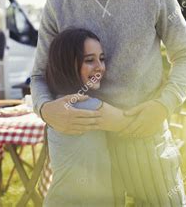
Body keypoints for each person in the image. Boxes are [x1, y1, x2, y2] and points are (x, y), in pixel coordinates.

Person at [31, 0, 186, 206]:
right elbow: (39, 75)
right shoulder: (57, 5)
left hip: (144, 137)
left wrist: (163, 106)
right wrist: (45, 109)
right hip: (87, 147)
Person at [44, 28, 131, 207]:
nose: (100, 66)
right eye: (89, 60)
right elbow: (132, 123)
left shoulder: (60, 103)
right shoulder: (84, 106)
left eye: (102, 58)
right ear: (67, 64)